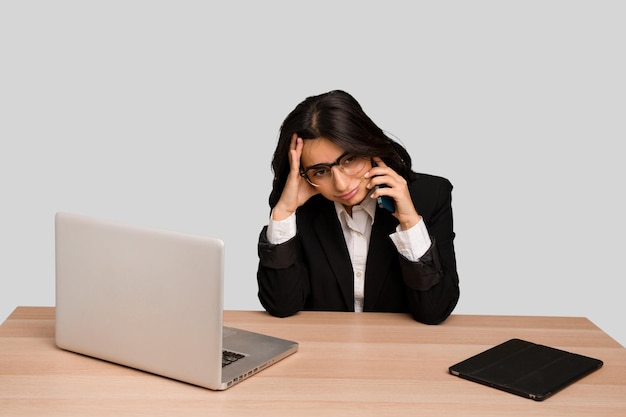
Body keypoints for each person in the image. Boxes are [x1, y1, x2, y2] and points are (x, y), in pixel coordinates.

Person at [256, 90, 459, 324]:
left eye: (349, 160)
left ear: (369, 146)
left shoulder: (430, 196)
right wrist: (283, 214)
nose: (341, 184)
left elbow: (435, 311)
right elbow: (281, 305)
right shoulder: (299, 206)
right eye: (320, 171)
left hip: (399, 350)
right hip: (323, 349)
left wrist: (410, 222)